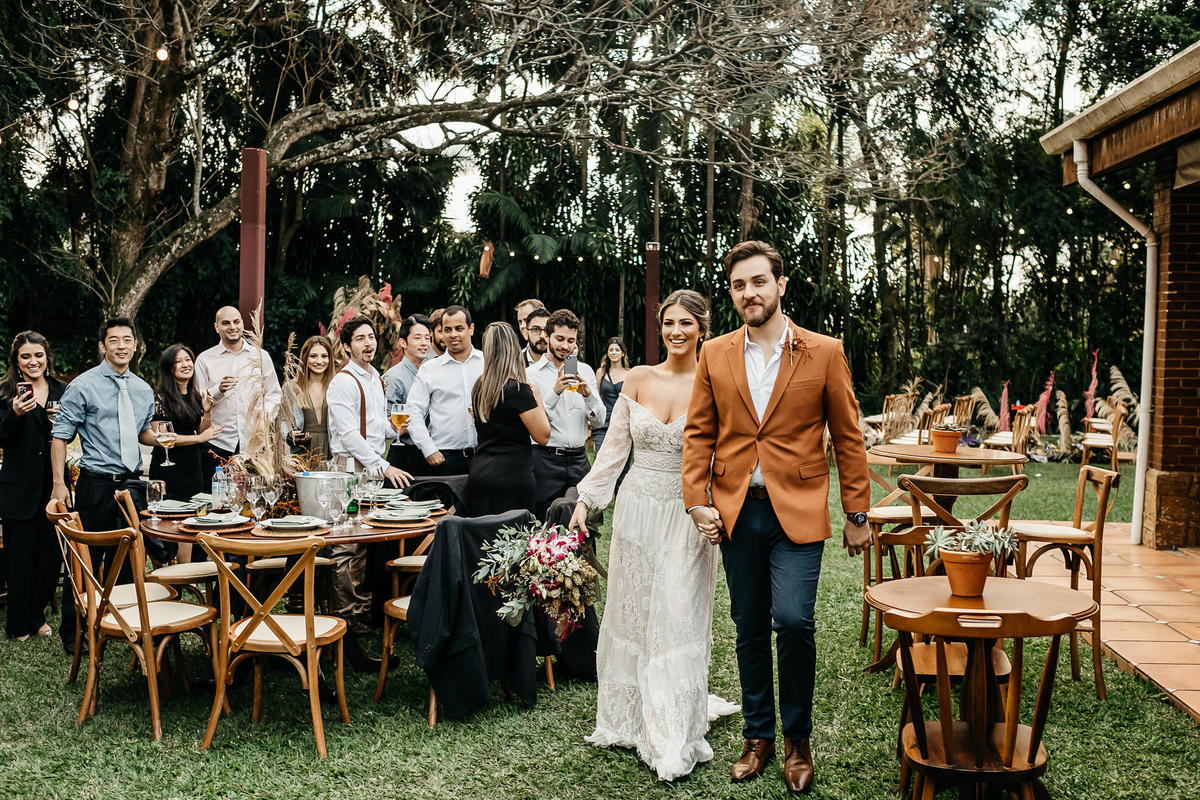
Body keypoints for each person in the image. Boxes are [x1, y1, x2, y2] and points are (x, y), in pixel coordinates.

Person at [682, 241, 871, 795]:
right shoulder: (714, 353)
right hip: (736, 511)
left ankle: (797, 741)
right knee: (747, 626)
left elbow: (849, 437)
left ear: (781, 285)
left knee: (792, 621)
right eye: (740, 286)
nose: (750, 293)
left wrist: (857, 512)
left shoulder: (824, 352)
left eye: (759, 282)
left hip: (800, 509)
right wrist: (698, 500)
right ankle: (757, 737)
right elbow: (698, 435)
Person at [567, 290, 736, 780]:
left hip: (688, 513)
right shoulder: (638, 378)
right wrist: (586, 501)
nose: (676, 331)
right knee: (635, 609)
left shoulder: (716, 383)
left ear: (703, 327)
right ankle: (627, 717)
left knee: (678, 611)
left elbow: (726, 457)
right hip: (637, 509)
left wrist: (718, 510)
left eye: (686, 322)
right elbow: (613, 449)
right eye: (669, 323)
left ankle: (673, 727)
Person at [51, 317, 163, 654]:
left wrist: (161, 439)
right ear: (103, 346)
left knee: (131, 559)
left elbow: (142, 431)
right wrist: (59, 484)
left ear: (135, 345)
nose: (121, 346)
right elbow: (60, 437)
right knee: (89, 558)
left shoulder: (143, 389)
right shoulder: (83, 386)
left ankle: (126, 627)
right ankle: (73, 633)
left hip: (132, 485)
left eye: (127, 340)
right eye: (114, 340)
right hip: (96, 484)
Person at [326, 317, 413, 636]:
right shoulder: (343, 382)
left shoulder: (375, 377)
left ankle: (361, 612)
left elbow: (375, 426)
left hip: (371, 467)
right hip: (349, 468)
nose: (368, 343)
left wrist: (393, 429)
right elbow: (348, 435)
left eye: (371, 337)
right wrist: (383, 465)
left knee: (363, 541)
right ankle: (346, 616)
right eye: (360, 338)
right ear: (347, 346)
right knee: (347, 543)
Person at [0, 332, 67, 641]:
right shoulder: (5, 393)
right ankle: (17, 624)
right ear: (17, 361)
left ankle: (37, 614)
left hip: (53, 485)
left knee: (50, 556)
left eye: (38, 355)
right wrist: (14, 414)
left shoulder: (62, 391)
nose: (33, 361)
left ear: (46, 357)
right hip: (19, 488)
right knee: (20, 558)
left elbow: (70, 435)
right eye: (26, 356)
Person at [526, 309, 605, 516]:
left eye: (571, 341)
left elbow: (599, 422)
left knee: (583, 526)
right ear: (547, 336)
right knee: (543, 525)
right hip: (545, 461)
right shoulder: (530, 374)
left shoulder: (585, 371)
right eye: (560, 339)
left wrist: (588, 394)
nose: (565, 346)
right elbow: (533, 423)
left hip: (579, 460)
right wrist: (555, 392)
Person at [466, 323, 550, 516]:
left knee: (482, 540)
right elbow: (543, 436)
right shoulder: (519, 390)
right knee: (513, 542)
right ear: (513, 348)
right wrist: (536, 396)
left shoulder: (480, 386)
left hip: (481, 473)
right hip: (512, 477)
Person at [194, 305, 283, 476]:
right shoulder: (205, 359)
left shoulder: (261, 356)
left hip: (254, 442)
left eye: (236, 322)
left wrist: (264, 415)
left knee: (254, 496)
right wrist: (218, 390)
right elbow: (198, 400)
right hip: (218, 443)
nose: (232, 327)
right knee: (216, 498)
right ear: (216, 327)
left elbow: (274, 393)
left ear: (242, 323)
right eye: (226, 323)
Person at [406, 305, 484, 475]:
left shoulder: (486, 363)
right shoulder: (430, 369)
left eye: (459, 328)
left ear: (471, 329)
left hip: (484, 456)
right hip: (444, 459)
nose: (453, 334)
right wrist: (428, 448)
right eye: (447, 330)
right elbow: (412, 411)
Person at [150, 344, 224, 502]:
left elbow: (200, 429)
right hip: (168, 466)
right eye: (179, 361)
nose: (185, 364)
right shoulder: (161, 398)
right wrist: (199, 439)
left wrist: (207, 411)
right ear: (169, 368)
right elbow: (163, 437)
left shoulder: (195, 395)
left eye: (188, 359)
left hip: (193, 465)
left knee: (192, 512)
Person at [382, 314, 433, 474]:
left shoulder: (433, 371)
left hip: (434, 450)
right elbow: (385, 419)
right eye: (418, 338)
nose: (424, 343)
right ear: (403, 342)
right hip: (406, 454)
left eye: (427, 338)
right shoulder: (394, 377)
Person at [283, 335, 334, 460]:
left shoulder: (337, 386)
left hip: (331, 450)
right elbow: (283, 420)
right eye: (313, 356)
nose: (319, 361)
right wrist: (289, 435)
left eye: (324, 356)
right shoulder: (291, 387)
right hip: (301, 452)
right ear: (305, 358)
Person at [591, 336, 630, 451]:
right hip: (603, 421)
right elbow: (596, 397)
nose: (614, 353)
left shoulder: (629, 374)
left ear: (623, 353)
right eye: (611, 350)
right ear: (607, 353)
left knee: (621, 463)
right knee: (600, 458)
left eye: (617, 350)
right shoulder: (601, 372)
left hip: (621, 421)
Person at [513, 298, 542, 363]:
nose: (522, 326)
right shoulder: (515, 361)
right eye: (520, 322)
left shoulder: (565, 356)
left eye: (526, 320)